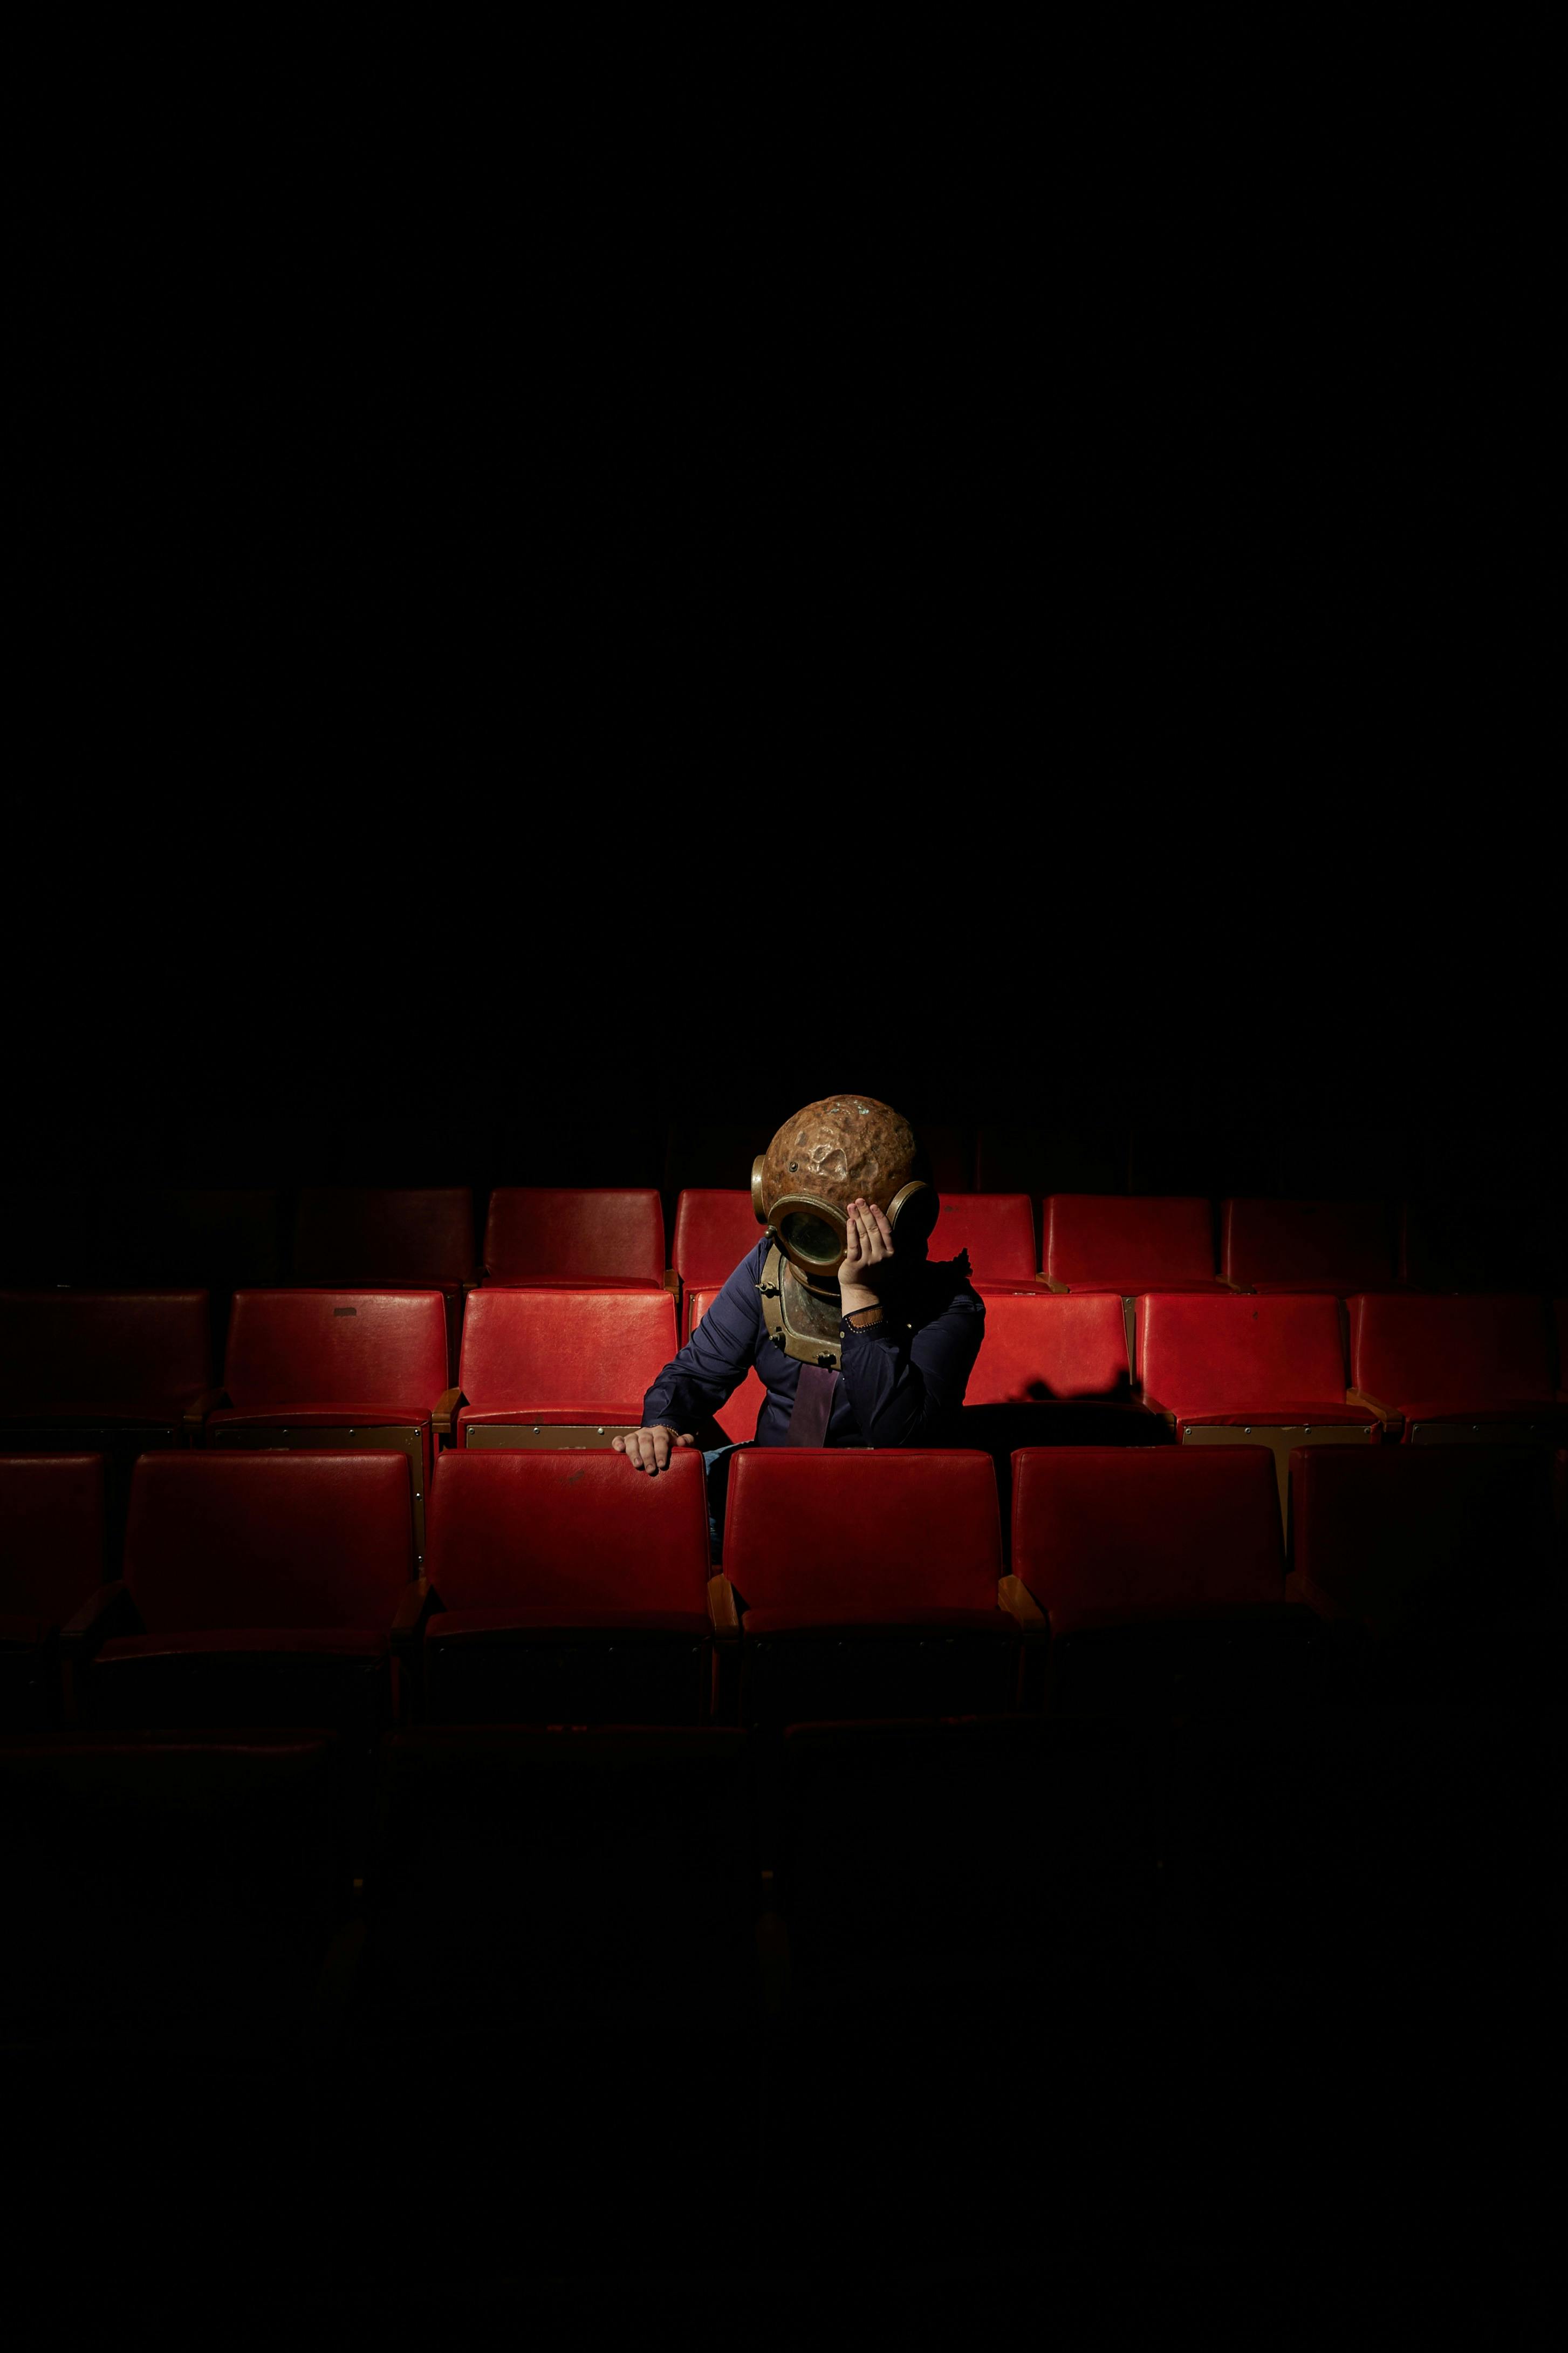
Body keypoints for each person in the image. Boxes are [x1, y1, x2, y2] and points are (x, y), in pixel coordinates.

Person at [612, 1097, 984, 1519]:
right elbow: (699, 1370)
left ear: (903, 1219)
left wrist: (860, 1298)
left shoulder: (949, 1303)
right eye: (804, 1227)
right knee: (634, 1507)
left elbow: (899, 1436)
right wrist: (663, 1423)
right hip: (770, 1482)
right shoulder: (770, 1265)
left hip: (881, 1503)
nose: (813, 1248)